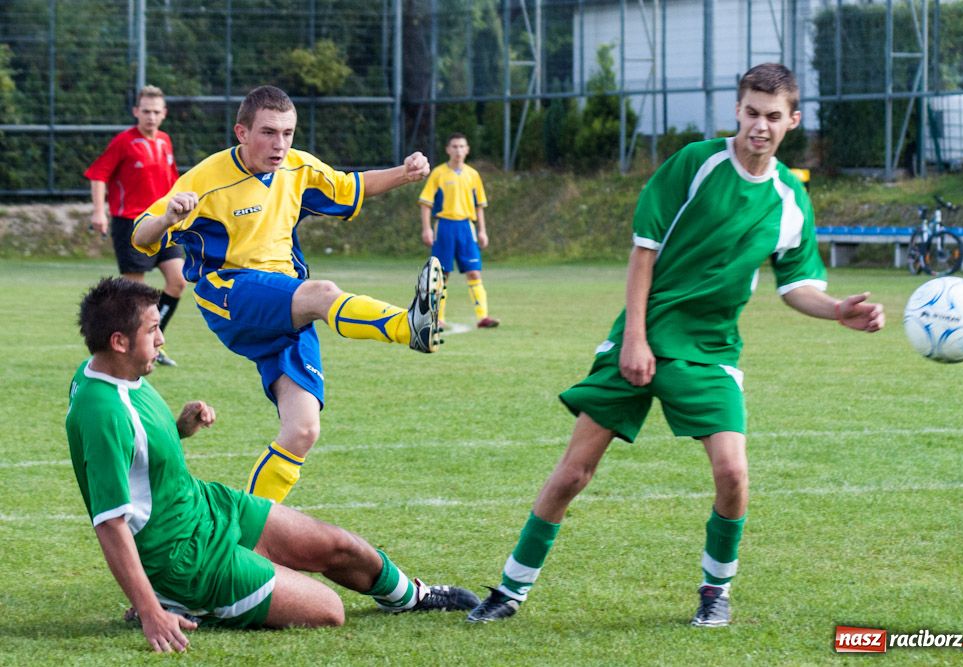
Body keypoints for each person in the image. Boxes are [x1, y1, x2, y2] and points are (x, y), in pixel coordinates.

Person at [465, 63, 885, 627]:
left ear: (793, 120)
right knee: (573, 474)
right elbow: (644, 252)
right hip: (645, 332)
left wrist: (835, 310)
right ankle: (509, 591)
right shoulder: (696, 163)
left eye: (773, 117)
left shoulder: (790, 198)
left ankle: (716, 592)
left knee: (733, 474)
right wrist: (634, 339)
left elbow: (796, 284)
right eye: (752, 113)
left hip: (711, 349)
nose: (760, 126)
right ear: (738, 110)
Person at [66, 277, 478, 653]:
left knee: (340, 546)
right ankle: (177, 600)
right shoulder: (104, 411)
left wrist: (180, 428)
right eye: (152, 330)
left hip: (206, 507)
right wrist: (151, 610)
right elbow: (111, 524)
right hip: (184, 561)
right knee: (328, 610)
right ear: (119, 341)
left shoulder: (113, 374)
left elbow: (138, 455)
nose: (161, 339)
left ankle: (412, 597)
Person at [131, 85, 443, 505]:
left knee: (302, 430)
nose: (279, 144)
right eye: (268, 132)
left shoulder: (297, 168)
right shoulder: (205, 180)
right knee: (321, 294)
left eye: (288, 133)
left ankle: (249, 537)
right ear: (241, 132)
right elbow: (141, 235)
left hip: (284, 302)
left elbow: (348, 186)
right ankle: (409, 328)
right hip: (230, 292)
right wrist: (169, 215)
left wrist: (403, 174)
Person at [84, 85, 185, 367]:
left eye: (156, 112)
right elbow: (98, 175)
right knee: (136, 297)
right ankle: (134, 348)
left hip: (164, 223)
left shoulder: (165, 141)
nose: (150, 117)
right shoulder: (124, 142)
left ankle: (155, 339)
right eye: (145, 111)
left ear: (164, 114)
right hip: (130, 225)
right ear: (136, 112)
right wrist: (98, 212)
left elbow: (173, 183)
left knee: (177, 282)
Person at [418, 132, 499, 329]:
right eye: (454, 146)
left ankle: (483, 317)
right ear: (448, 150)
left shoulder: (473, 175)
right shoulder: (438, 173)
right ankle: (437, 317)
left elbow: (479, 205)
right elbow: (426, 203)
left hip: (466, 228)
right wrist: (427, 228)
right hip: (444, 226)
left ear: (467, 150)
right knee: (442, 274)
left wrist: (482, 231)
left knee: (474, 272)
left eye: (462, 146)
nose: (458, 150)